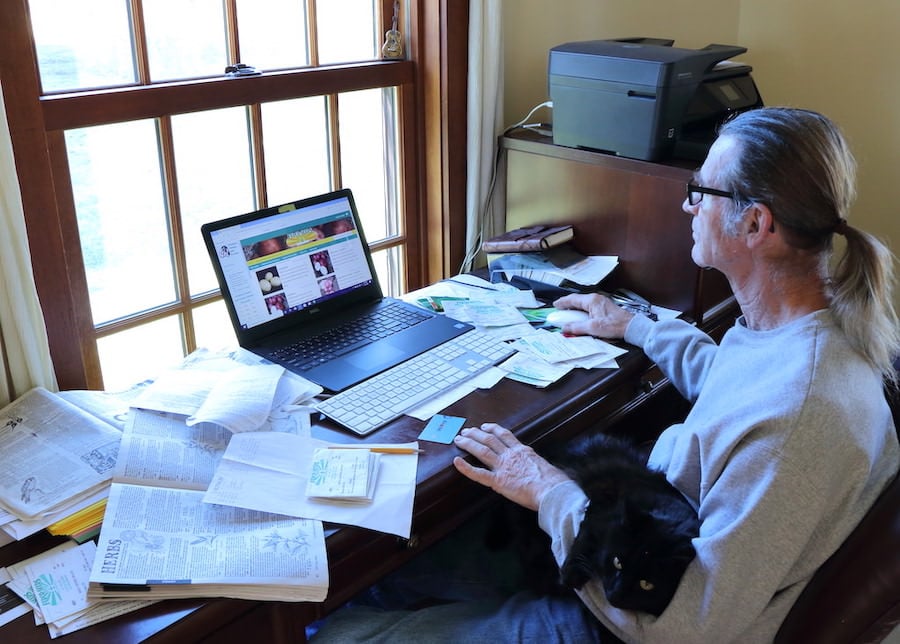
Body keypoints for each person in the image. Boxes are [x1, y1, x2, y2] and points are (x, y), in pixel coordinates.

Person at [310, 107, 900, 642]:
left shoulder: (803, 420)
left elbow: (687, 625)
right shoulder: (805, 331)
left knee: (347, 636)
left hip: (631, 616)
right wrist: (636, 326)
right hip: (632, 535)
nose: (687, 205)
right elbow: (735, 388)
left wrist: (548, 491)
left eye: (701, 192)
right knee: (394, 580)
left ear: (756, 226)